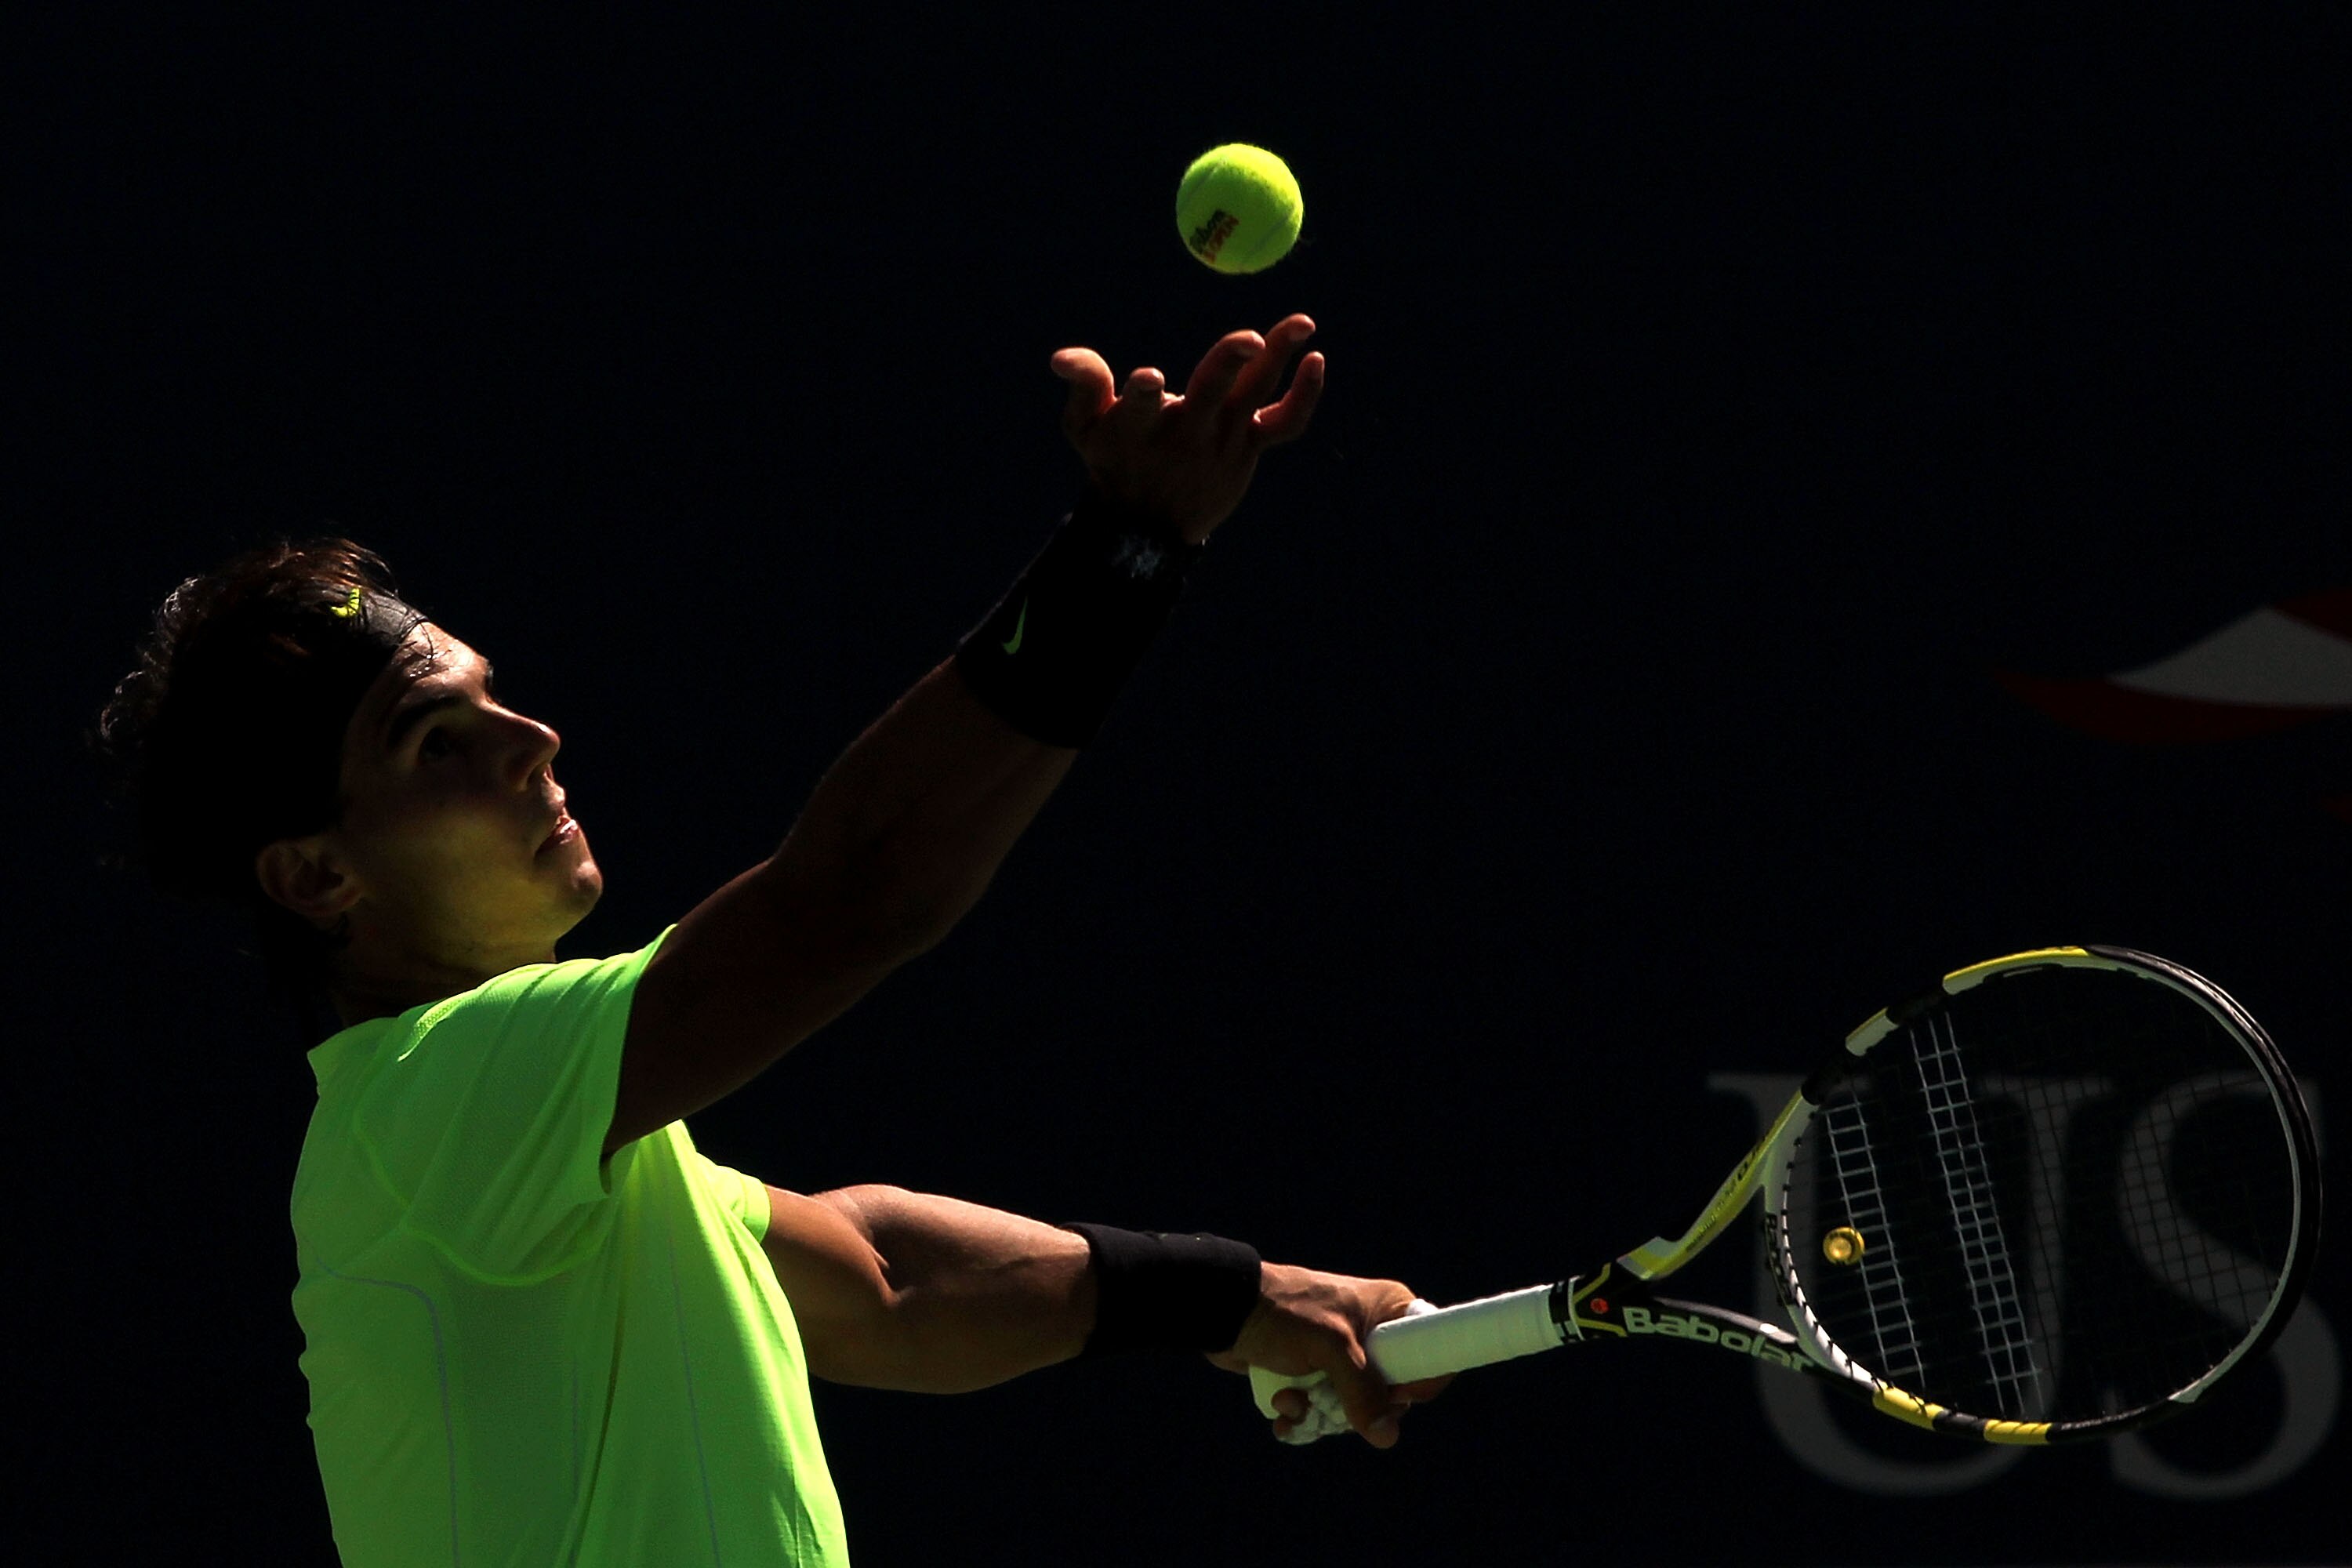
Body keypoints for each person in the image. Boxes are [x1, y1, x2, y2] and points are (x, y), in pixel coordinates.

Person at [96, 314, 1443, 1566]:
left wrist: (1238, 1297)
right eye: (437, 744)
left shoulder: (537, 1159)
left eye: (494, 697)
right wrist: (1130, 546)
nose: (533, 740)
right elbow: (853, 895)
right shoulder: (429, 1106)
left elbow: (887, 1281)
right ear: (317, 876)